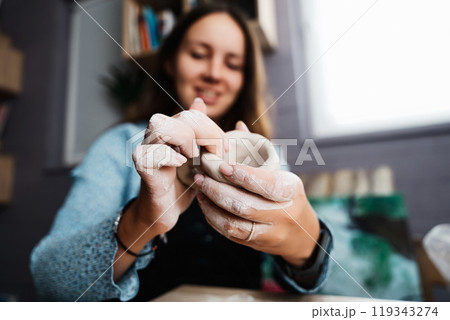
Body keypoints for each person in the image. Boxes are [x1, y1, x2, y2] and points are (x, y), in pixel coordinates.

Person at [30, 4, 332, 301]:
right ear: (171, 62)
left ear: (244, 79)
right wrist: (142, 218)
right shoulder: (119, 145)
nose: (214, 73)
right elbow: (49, 281)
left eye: (233, 63)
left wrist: (305, 244)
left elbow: (306, 290)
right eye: (199, 54)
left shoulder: (265, 156)